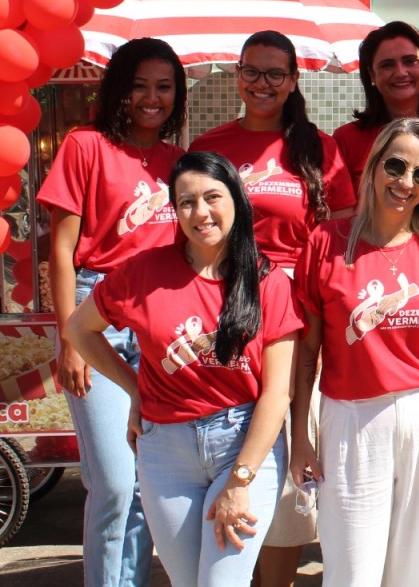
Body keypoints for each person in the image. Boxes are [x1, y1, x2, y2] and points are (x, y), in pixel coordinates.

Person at [65, 151, 301, 587]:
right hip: (165, 451)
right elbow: (80, 330)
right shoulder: (144, 272)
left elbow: (277, 393)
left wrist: (240, 479)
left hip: (243, 444)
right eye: (186, 201)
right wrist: (134, 390)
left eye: (212, 197)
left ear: (237, 200)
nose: (200, 212)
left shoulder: (269, 282)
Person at [190, 30, 356, 586]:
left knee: (287, 439)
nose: (262, 84)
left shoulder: (318, 147)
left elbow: (343, 233)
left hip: (299, 314)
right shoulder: (211, 147)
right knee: (233, 435)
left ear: (293, 81)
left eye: (275, 74)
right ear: (238, 75)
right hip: (224, 310)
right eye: (252, 72)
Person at [290, 118, 419, 586]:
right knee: (352, 568)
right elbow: (308, 348)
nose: (406, 182)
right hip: (352, 418)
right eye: (395, 165)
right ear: (374, 165)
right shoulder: (325, 242)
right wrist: (300, 435)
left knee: (418, 568)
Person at [38, 37, 187, 587]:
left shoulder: (178, 163)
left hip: (160, 321)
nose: (152, 98)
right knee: (114, 483)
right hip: (96, 311)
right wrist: (70, 338)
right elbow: (60, 250)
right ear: (120, 88)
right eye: (140, 85)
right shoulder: (84, 145)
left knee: (150, 483)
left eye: (164, 86)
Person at [334, 20, 419, 191]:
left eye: (410, 61)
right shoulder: (347, 140)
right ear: (372, 74)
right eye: (387, 65)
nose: (400, 72)